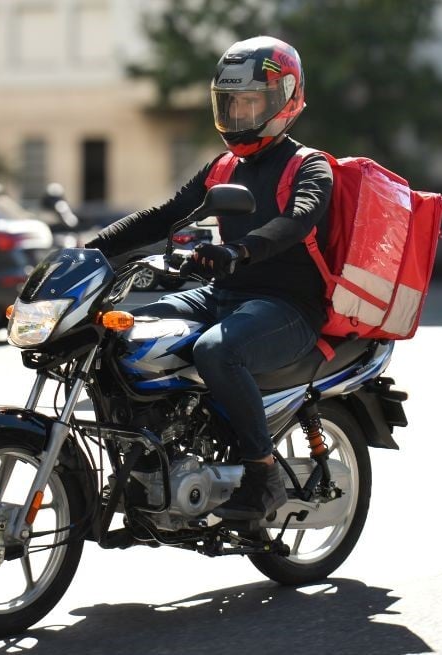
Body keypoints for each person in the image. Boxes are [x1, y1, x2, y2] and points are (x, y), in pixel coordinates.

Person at [85, 36, 333, 521]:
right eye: (231, 102)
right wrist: (87, 251)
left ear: (284, 99)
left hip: (287, 307)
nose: (239, 113)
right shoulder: (223, 166)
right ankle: (150, 454)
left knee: (215, 349)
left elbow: (299, 219)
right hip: (224, 294)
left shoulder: (310, 165)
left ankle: (263, 475)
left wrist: (239, 249)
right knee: (120, 330)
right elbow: (165, 215)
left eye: (250, 102)